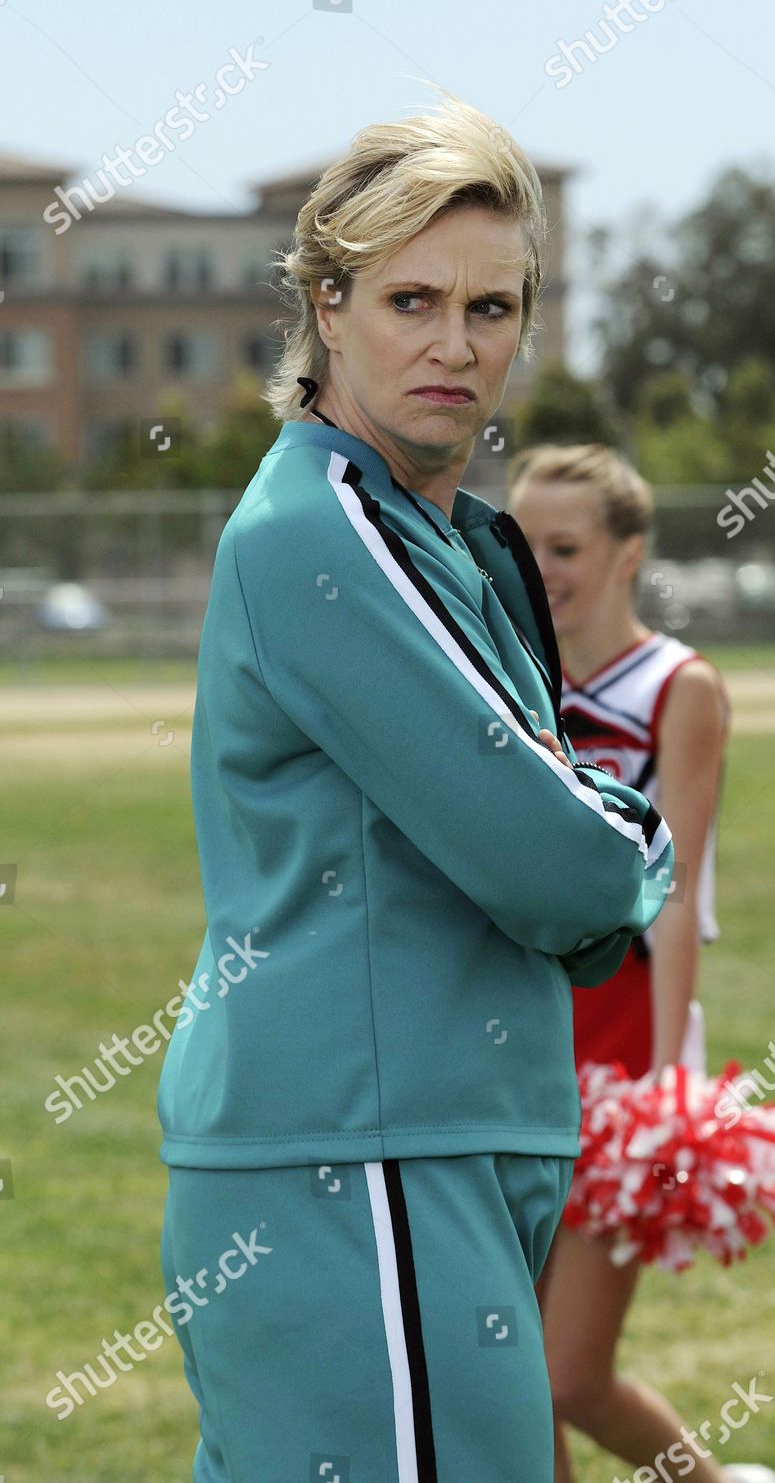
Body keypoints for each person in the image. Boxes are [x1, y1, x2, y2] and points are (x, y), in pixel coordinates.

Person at [155, 94, 675, 1483]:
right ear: (327, 305)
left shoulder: (430, 526)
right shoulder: (324, 525)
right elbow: (562, 865)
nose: (456, 345)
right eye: (412, 299)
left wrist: (581, 829)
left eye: (493, 309)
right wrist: (635, 841)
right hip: (358, 1152)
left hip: (429, 1130)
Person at [509, 445, 775, 1483]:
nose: (538, 566)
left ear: (628, 554)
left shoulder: (679, 688)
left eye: (564, 546)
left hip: (628, 1050)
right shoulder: (504, 675)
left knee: (567, 1373)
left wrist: (670, 1091)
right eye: (522, 542)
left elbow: (672, 902)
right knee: (502, 1366)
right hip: (515, 1038)